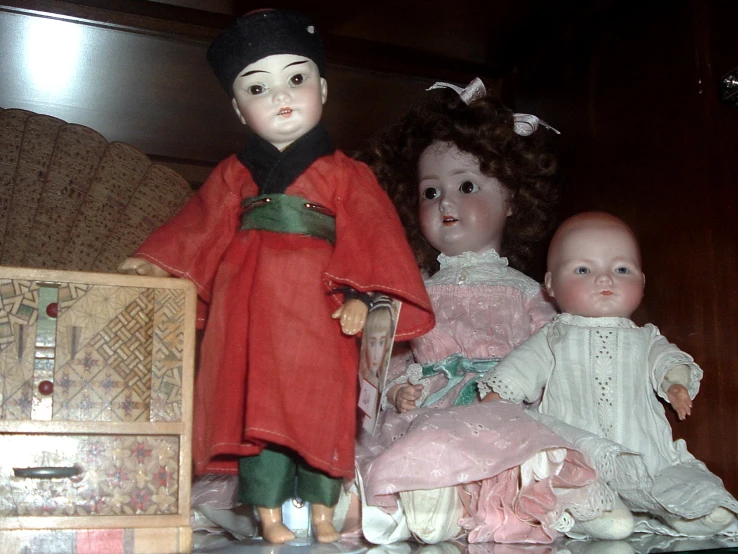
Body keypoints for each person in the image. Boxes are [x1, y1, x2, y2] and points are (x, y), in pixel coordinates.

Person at [118, 9, 434, 544]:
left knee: (321, 407)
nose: (280, 96)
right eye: (257, 88)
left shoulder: (347, 173)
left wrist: (360, 294)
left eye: (296, 78)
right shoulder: (233, 174)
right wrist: (157, 261)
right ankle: (266, 514)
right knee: (254, 408)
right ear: (239, 111)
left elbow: (372, 236)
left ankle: (322, 510)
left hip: (319, 306)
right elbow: (196, 229)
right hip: (247, 309)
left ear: (324, 89)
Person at [346, 79, 601, 545]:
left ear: (511, 200)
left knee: (513, 449)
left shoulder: (531, 293)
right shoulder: (411, 292)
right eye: (429, 192)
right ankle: (426, 499)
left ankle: (458, 503)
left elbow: (557, 354)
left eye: (466, 185)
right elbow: (393, 357)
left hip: (500, 404)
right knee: (407, 444)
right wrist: (401, 386)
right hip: (427, 405)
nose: (445, 202)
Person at [481, 211, 738, 539]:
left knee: (677, 478)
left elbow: (667, 359)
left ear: (642, 283)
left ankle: (688, 511)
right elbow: (522, 367)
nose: (605, 280)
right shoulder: (555, 336)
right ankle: (597, 512)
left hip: (645, 451)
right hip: (580, 447)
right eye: (583, 270)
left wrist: (676, 382)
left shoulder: (645, 338)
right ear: (550, 285)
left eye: (621, 269)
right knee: (580, 481)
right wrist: (499, 396)